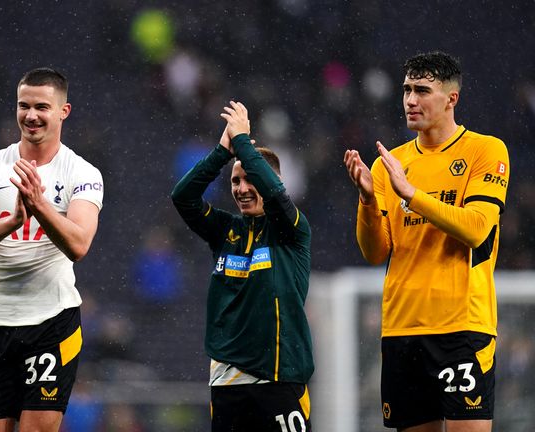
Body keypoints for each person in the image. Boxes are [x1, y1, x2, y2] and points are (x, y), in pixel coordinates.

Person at [344, 51, 510, 432]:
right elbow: (375, 253)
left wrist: (412, 194)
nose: (410, 100)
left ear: (451, 98)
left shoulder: (485, 151)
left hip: (461, 327)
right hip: (402, 328)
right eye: (406, 90)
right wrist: (368, 201)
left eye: (422, 90)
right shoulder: (390, 164)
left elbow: (476, 229)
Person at [0, 67, 104, 432]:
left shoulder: (83, 173)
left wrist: (39, 204)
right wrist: (11, 221)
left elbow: (79, 244)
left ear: (63, 111)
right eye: (24, 106)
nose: (31, 115)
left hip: (51, 322)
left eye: (42, 106)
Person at [171, 101, 313, 431]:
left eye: (250, 180)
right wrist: (224, 150)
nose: (242, 189)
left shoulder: (291, 230)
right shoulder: (225, 231)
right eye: (235, 182)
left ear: (270, 181)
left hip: (277, 379)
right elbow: (183, 197)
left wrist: (244, 142)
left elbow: (277, 196)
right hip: (227, 381)